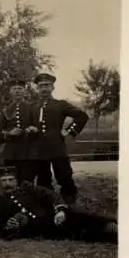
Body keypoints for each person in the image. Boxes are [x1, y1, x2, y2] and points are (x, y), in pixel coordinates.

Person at [0, 166, 117, 243]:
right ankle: (114, 236)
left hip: (54, 216)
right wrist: (13, 226)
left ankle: (113, 225)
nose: (7, 183)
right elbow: (4, 230)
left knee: (83, 218)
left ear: (16, 181)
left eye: (10, 180)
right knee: (81, 234)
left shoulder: (28, 188)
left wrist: (60, 210)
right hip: (43, 228)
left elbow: (51, 195)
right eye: (3, 181)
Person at [27, 72, 89, 204]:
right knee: (43, 178)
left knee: (64, 175)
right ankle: (46, 201)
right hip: (39, 149)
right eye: (41, 86)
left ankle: (69, 199)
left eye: (47, 85)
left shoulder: (60, 104)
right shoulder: (32, 107)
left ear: (53, 88)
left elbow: (82, 116)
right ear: (37, 88)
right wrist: (30, 129)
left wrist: (69, 131)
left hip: (57, 147)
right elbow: (28, 124)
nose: (44, 89)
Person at [0, 77, 35, 182]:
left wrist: (31, 130)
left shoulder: (32, 108)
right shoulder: (5, 111)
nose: (17, 91)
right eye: (14, 89)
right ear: (10, 92)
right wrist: (9, 133)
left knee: (27, 181)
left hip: (28, 152)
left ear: (25, 91)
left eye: (20, 88)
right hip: (11, 153)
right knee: (11, 180)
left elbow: (38, 128)